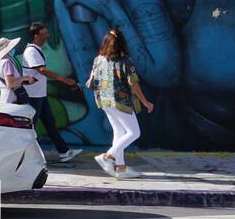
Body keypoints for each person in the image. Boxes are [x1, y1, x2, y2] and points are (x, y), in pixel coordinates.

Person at [86, 27, 155, 179]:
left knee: (119, 133)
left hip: (104, 101)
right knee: (134, 133)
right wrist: (145, 102)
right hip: (120, 101)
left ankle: (121, 168)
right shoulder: (125, 61)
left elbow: (90, 81)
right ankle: (107, 156)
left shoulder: (98, 59)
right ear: (122, 43)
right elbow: (133, 84)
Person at [23, 22, 81, 163]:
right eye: (45, 33)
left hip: (40, 95)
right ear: (36, 36)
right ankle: (24, 156)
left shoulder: (36, 49)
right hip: (33, 96)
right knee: (29, 128)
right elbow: (41, 70)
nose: (48, 36)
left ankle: (64, 152)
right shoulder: (31, 51)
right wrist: (63, 79)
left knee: (50, 124)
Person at [0, 36, 36, 104]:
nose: (13, 49)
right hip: (13, 99)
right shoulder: (7, 62)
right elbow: (10, 84)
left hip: (5, 98)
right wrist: (25, 78)